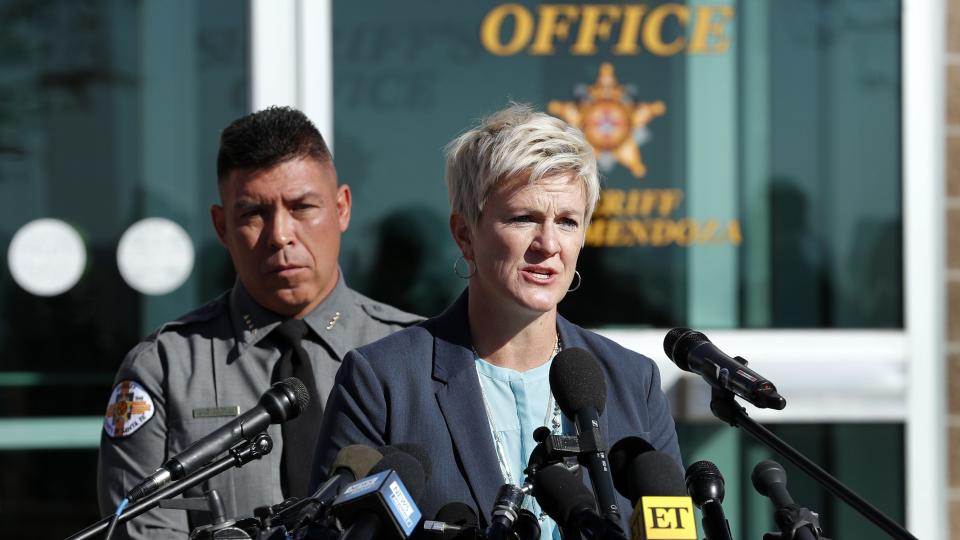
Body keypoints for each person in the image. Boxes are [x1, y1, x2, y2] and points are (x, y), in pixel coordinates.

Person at [311, 104, 681, 537]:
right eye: (523, 218)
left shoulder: (632, 381)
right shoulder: (381, 381)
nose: (548, 244)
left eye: (566, 221)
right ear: (465, 234)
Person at [97, 106, 421, 539]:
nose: (279, 235)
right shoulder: (164, 370)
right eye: (252, 214)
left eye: (303, 207)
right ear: (221, 227)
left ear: (341, 208)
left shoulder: (413, 354)